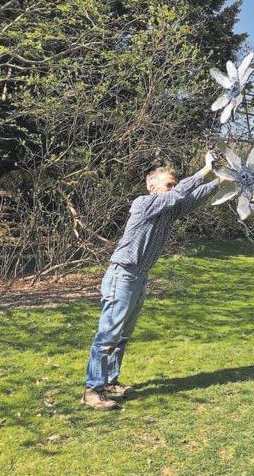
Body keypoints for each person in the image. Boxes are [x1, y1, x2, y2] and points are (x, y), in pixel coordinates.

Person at [82, 151, 224, 411]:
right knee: (108, 335)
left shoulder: (168, 210)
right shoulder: (143, 204)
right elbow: (179, 194)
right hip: (122, 275)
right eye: (168, 184)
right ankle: (92, 390)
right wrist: (205, 169)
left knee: (122, 336)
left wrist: (221, 180)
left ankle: (110, 382)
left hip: (139, 277)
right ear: (151, 186)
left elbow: (192, 198)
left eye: (173, 184)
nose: (172, 188)